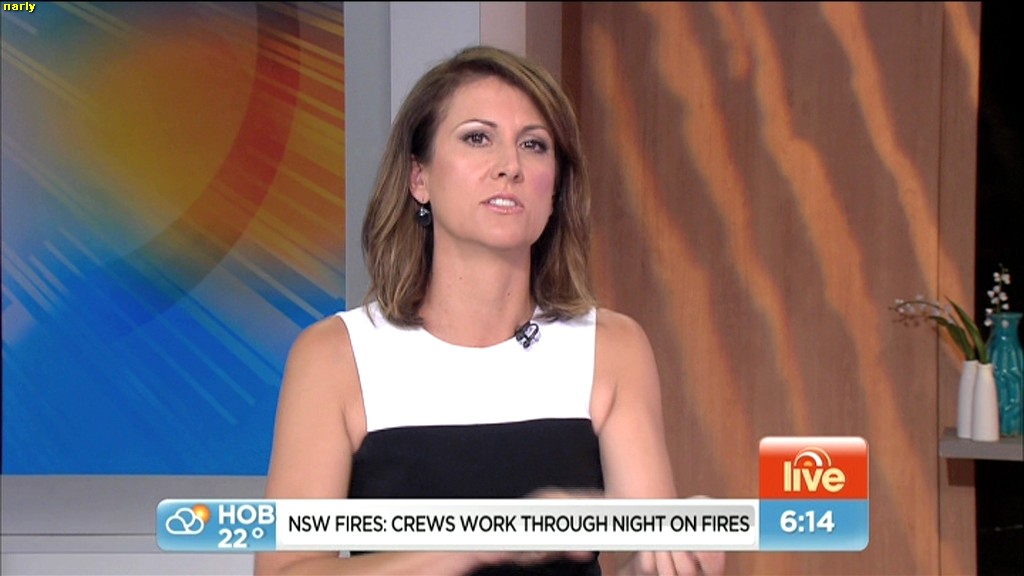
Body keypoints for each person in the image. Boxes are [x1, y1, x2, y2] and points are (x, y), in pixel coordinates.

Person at [254, 45, 725, 576]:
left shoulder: (614, 349)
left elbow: (648, 560)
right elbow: (285, 570)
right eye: (478, 138)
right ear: (419, 178)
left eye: (534, 145)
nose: (510, 167)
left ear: (556, 188)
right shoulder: (334, 357)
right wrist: (470, 543)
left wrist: (689, 555)